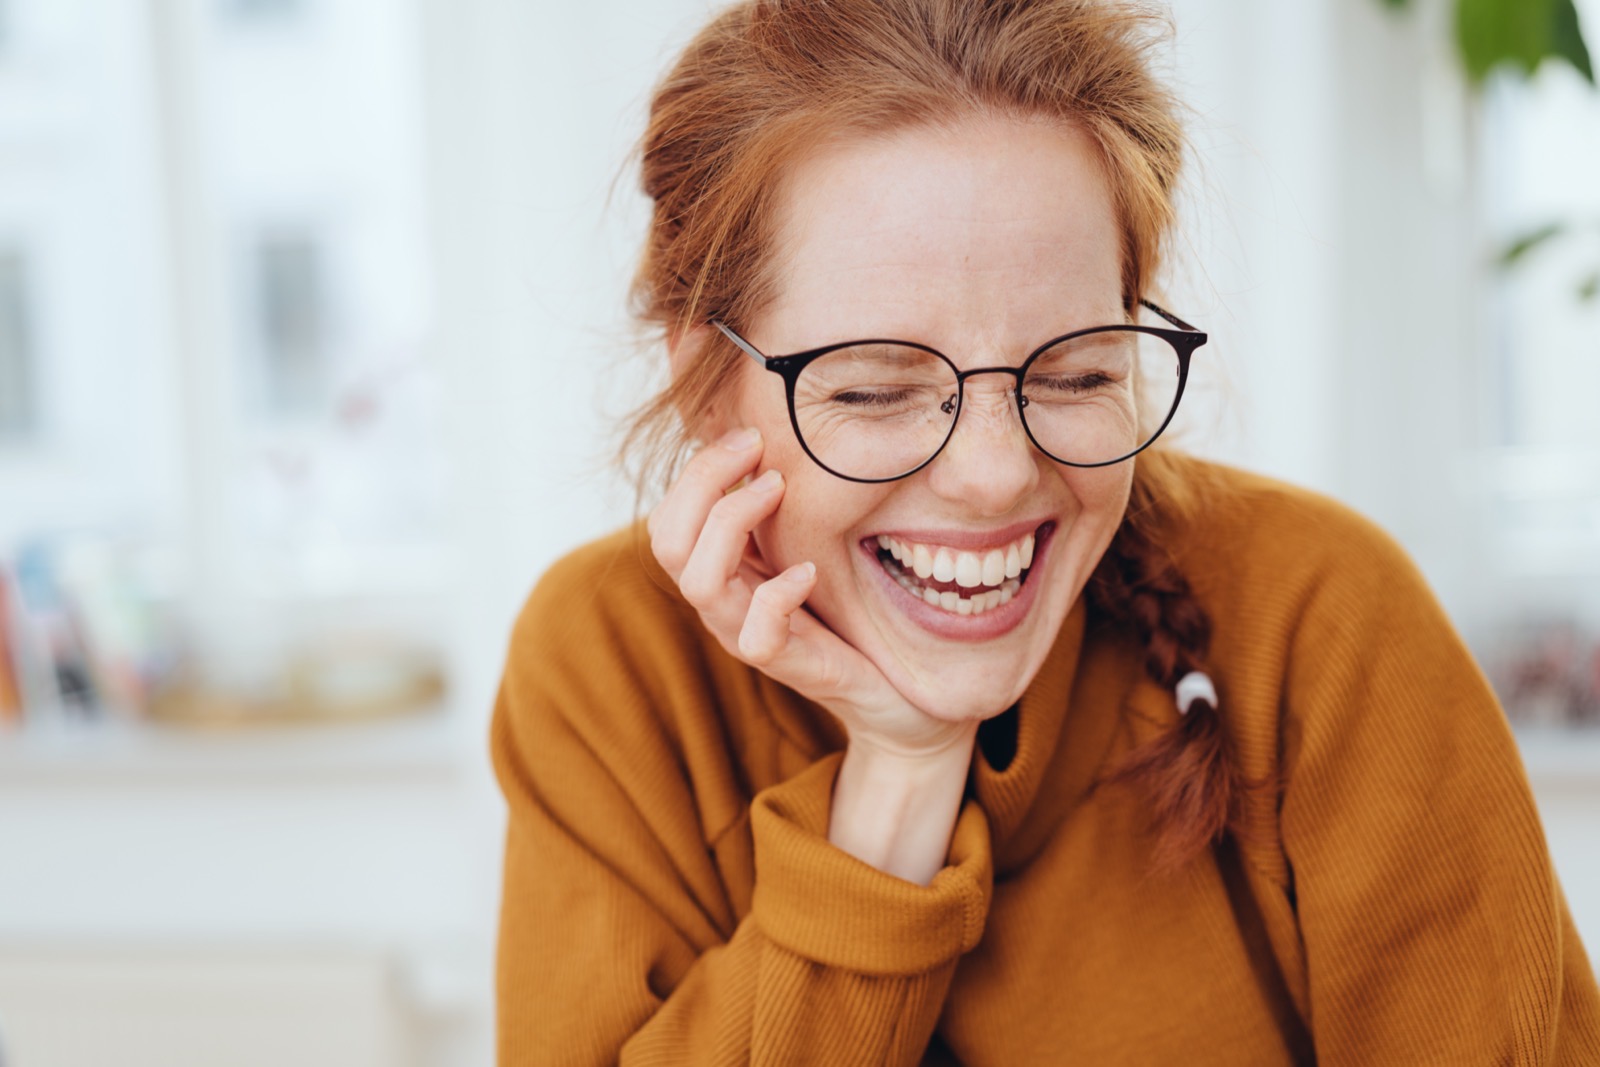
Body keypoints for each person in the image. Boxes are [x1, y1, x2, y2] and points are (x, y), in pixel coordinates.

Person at [489, 0, 1600, 1062]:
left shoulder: (1319, 616)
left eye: (1072, 373)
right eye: (876, 390)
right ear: (704, 386)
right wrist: (901, 772)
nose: (993, 475)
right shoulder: (612, 666)